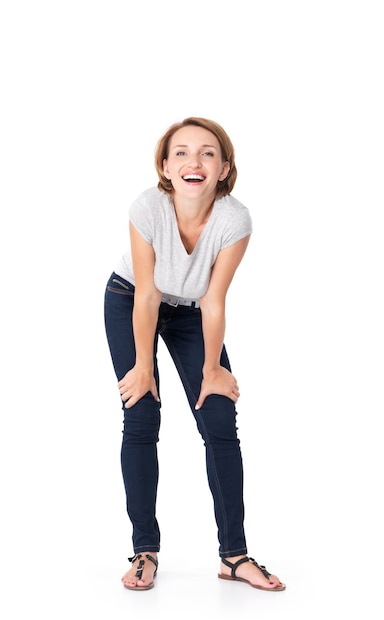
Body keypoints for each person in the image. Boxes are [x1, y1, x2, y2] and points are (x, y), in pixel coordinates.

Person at [103, 117, 285, 592]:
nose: (193, 161)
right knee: (141, 415)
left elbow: (215, 300)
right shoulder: (147, 207)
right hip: (131, 299)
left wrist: (211, 371)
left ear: (224, 168)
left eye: (207, 153)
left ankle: (234, 555)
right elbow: (146, 294)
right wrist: (144, 368)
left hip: (191, 311)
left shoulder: (234, 219)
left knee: (219, 418)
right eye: (180, 152)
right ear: (165, 166)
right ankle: (145, 550)